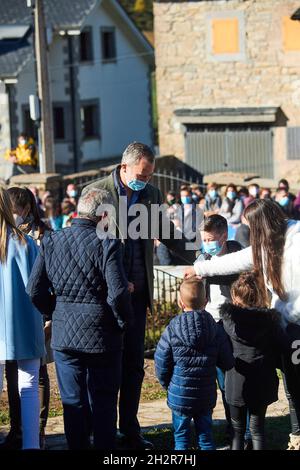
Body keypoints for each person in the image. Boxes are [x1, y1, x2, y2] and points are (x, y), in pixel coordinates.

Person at [82, 142, 194, 449]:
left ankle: (130, 430)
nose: (143, 180)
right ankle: (99, 430)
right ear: (124, 167)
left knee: (133, 367)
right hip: (106, 298)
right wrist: (112, 281)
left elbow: (167, 234)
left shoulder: (152, 195)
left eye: (149, 175)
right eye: (141, 174)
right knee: (103, 366)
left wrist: (199, 259)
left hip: (138, 295)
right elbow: (86, 243)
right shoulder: (97, 193)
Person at [185, 198, 300, 450]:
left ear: (261, 224)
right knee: (291, 387)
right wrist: (200, 268)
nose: (247, 232)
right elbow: (237, 260)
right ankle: (296, 435)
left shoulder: (296, 240)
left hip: (295, 327)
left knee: (296, 386)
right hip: (284, 325)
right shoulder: (267, 242)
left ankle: (297, 434)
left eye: (250, 227)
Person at [27, 188, 134, 450]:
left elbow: (34, 289)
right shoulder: (108, 243)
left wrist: (55, 310)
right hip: (103, 334)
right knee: (105, 401)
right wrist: (123, 322)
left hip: (65, 335)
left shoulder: (52, 241)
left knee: (72, 402)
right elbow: (118, 292)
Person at [154, 277, 234, 450]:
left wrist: (166, 383)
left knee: (181, 439)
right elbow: (227, 361)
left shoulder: (172, 329)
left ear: (180, 303)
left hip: (179, 394)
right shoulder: (214, 328)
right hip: (205, 395)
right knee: (205, 438)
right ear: (206, 301)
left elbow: (161, 361)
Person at [0, 187, 52, 450]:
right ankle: (31, 444)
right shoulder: (25, 242)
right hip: (25, 320)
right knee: (30, 383)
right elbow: (38, 285)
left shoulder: (26, 241)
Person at [220, 272, 291, 450]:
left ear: (235, 297)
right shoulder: (271, 322)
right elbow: (282, 347)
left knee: (237, 431)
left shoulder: (228, 322)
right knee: (257, 430)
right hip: (263, 380)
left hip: (236, 382)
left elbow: (221, 349)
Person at [196, 214, 242, 444]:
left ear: (224, 236)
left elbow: (234, 277)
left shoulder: (238, 255)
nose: (207, 243)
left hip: (231, 322)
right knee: (210, 379)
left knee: (229, 381)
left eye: (211, 239)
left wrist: (207, 270)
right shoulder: (203, 256)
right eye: (204, 239)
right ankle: (208, 429)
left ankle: (236, 426)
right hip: (209, 322)